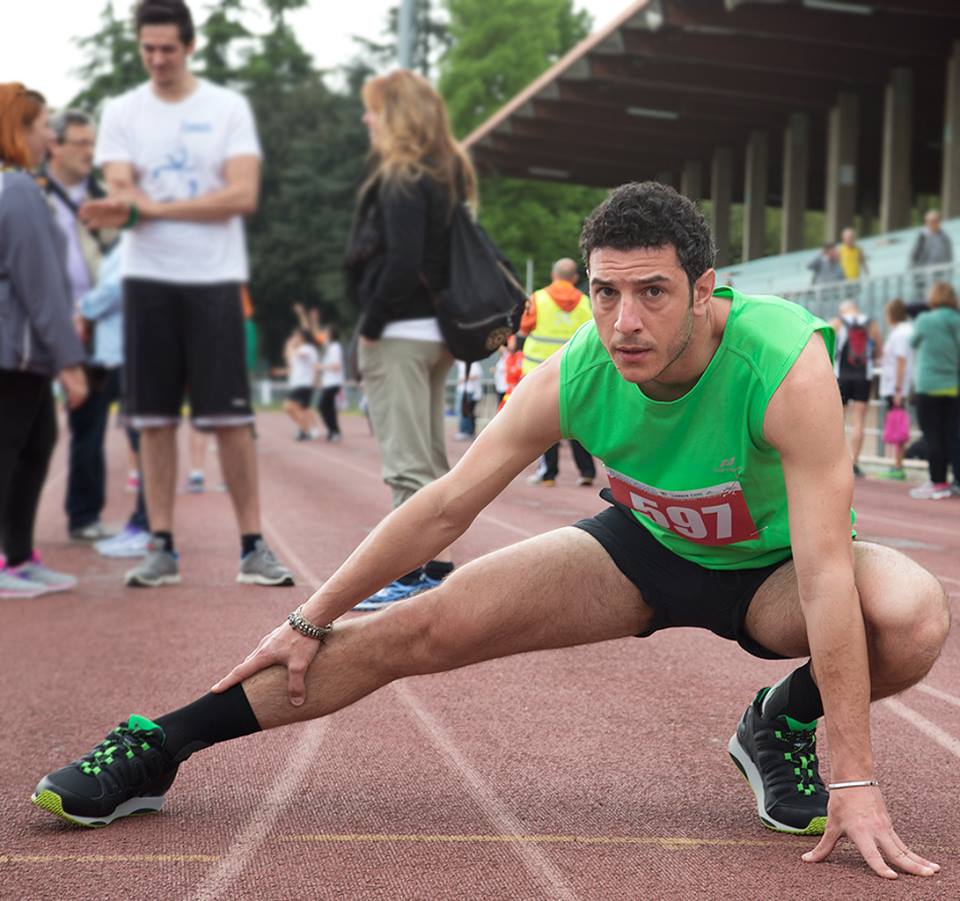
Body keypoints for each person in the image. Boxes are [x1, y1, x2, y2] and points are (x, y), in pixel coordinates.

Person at [32, 183, 950, 883]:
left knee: (908, 614)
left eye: (654, 294)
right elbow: (442, 506)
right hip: (640, 553)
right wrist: (308, 617)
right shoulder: (579, 368)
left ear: (706, 291)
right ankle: (160, 745)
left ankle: (778, 723)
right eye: (605, 292)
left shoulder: (782, 362)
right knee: (415, 625)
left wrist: (855, 776)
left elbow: (828, 571)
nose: (625, 322)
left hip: (774, 572)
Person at [80, 0, 293, 588]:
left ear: (189, 46)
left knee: (229, 419)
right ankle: (162, 546)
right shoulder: (122, 111)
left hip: (213, 281)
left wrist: (152, 207)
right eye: (147, 49)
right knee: (150, 420)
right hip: (147, 283)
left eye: (167, 49)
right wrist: (135, 206)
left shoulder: (226, 108)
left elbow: (241, 195)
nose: (156, 60)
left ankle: (252, 546)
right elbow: (122, 194)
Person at [344, 69, 473, 608]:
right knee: (430, 459)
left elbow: (399, 264)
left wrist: (370, 326)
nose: (366, 119)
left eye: (374, 109)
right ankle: (434, 569)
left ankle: (407, 574)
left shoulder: (400, 179)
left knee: (406, 463)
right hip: (438, 333)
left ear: (395, 116)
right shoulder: (447, 174)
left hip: (398, 333)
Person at [0, 84, 88, 597]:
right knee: (11, 449)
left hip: (21, 349)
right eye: (42, 127)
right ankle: (9, 559)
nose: (50, 136)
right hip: (17, 351)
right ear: (19, 130)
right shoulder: (19, 192)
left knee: (35, 445)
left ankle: (18, 556)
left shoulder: (17, 188)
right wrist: (69, 362)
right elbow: (40, 284)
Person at [42, 109, 118, 543]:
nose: (90, 152)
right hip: (37, 322)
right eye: (81, 143)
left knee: (90, 424)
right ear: (55, 144)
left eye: (93, 143)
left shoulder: (100, 194)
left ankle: (84, 515)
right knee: (25, 427)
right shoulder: (29, 191)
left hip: (93, 324)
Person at [521, 257, 596, 487]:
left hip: (539, 372)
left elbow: (524, 328)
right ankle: (587, 471)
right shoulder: (586, 302)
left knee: (545, 425)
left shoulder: (538, 299)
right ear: (574, 278)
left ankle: (548, 474)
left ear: (554, 275)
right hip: (577, 371)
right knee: (578, 423)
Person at [907, 282, 960, 500]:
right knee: (954, 435)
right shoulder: (957, 320)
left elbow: (913, 341)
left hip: (928, 385)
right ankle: (957, 480)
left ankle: (938, 481)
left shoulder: (925, 320)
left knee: (932, 435)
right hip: (952, 385)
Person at [830, 300, 882, 477]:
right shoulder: (871, 323)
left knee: (838, 419)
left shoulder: (836, 322)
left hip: (842, 375)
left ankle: (837, 461)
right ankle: (855, 463)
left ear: (842, 310)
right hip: (863, 376)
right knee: (859, 420)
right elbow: (878, 351)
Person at [874, 299, 914, 481]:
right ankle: (897, 463)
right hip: (900, 385)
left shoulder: (900, 334)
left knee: (897, 423)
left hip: (896, 386)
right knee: (899, 422)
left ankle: (897, 465)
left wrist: (898, 389)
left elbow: (901, 361)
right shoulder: (906, 331)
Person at [276, 328, 320, 441]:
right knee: (302, 409)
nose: (294, 338)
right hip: (298, 383)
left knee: (288, 406)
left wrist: (290, 346)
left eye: (296, 336)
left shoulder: (308, 348)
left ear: (302, 337)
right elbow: (290, 360)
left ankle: (306, 429)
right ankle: (305, 429)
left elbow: (299, 355)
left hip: (303, 383)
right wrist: (289, 347)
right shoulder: (301, 349)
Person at [909, 210, 953, 301]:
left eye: (936, 221)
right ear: (926, 223)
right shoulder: (922, 237)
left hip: (941, 273)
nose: (933, 224)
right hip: (925, 274)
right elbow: (914, 256)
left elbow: (949, 255)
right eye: (930, 221)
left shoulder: (945, 237)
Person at [316, 323, 343, 443]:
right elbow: (316, 336)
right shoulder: (328, 346)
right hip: (328, 382)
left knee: (322, 406)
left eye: (326, 332)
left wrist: (322, 367)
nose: (324, 334)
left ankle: (334, 430)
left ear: (331, 334)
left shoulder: (335, 347)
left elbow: (337, 366)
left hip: (333, 382)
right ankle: (334, 431)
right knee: (329, 408)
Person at [453, 359, 482, 441]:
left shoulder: (473, 362)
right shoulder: (461, 362)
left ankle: (466, 432)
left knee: (465, 412)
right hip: (463, 390)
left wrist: (464, 379)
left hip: (469, 391)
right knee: (462, 411)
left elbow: (477, 374)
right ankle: (464, 431)